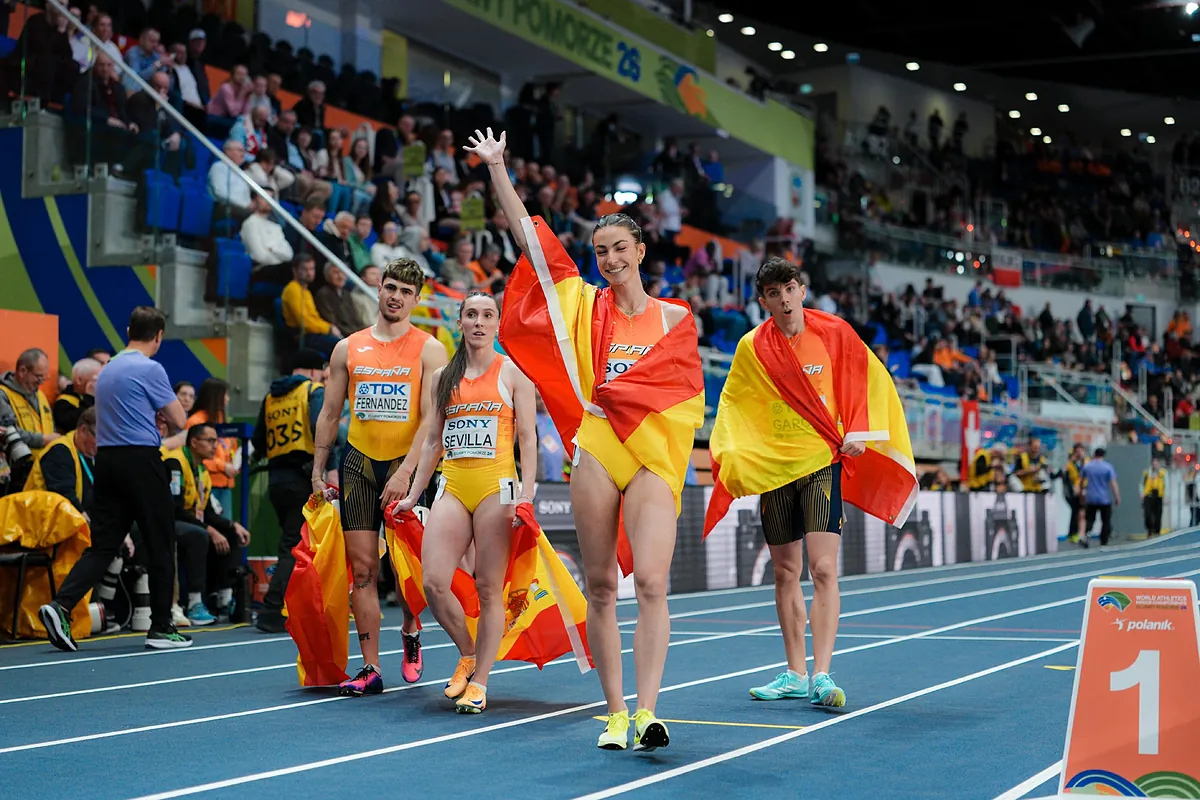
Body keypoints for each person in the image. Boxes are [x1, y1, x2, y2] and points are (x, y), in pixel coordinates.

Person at [468, 128, 704, 750]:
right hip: (598, 450)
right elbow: (528, 238)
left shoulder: (675, 318)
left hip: (651, 456)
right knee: (601, 586)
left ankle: (651, 710)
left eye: (620, 247)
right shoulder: (582, 306)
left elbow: (686, 397)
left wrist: (636, 407)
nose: (611, 258)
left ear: (641, 248)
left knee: (651, 582)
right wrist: (498, 169)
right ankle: (618, 711)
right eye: (601, 249)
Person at [703, 258, 916, 711]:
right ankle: (795, 673)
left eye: (789, 290)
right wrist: (736, 453)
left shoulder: (834, 334)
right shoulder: (751, 347)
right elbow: (737, 404)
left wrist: (857, 430)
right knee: (784, 571)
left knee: (822, 570)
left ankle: (822, 674)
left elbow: (865, 380)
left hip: (821, 462)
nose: (783, 300)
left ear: (802, 291)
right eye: (773, 294)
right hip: (775, 469)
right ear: (763, 302)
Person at [310, 258, 448, 696]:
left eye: (406, 292)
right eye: (390, 288)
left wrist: (408, 471)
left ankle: (410, 628)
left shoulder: (430, 348)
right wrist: (317, 469)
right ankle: (370, 667)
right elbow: (331, 412)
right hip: (358, 464)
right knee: (364, 569)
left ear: (416, 299)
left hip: (406, 467)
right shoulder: (347, 348)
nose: (396, 297)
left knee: (409, 570)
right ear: (378, 290)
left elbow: (432, 418)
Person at [396, 293, 538, 714]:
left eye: (487, 315)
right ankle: (469, 652)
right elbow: (433, 442)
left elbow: (528, 440)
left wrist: (527, 495)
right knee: (435, 581)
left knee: (489, 589)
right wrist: (411, 495)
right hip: (454, 485)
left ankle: (481, 682)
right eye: (471, 315)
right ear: (460, 322)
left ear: (497, 323)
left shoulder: (513, 373)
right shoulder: (443, 377)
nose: (479, 322)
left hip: (498, 489)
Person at [39, 306, 191, 651]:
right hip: (140, 460)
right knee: (161, 543)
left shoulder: (106, 371)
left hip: (107, 461)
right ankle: (162, 626)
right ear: (159, 336)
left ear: (127, 331)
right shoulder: (150, 368)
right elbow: (179, 419)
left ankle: (61, 605)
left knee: (103, 545)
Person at [251, 349, 327, 633]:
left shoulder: (271, 397)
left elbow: (259, 439)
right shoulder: (312, 391)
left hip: (275, 478)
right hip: (303, 475)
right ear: (310, 371)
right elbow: (323, 431)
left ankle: (296, 606)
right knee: (294, 547)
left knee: (296, 544)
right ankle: (272, 610)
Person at [163, 422, 252, 624]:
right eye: (210, 441)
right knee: (199, 535)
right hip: (167, 522)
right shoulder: (175, 463)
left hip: (190, 521)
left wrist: (232, 525)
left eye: (216, 441)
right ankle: (195, 604)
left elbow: (208, 512)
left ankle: (225, 599)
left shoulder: (202, 471)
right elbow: (174, 509)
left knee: (232, 534)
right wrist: (210, 530)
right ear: (194, 442)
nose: (215, 446)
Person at [0, 347, 60, 492]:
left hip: (42, 468)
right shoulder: (3, 395)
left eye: (44, 377)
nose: (41, 382)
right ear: (22, 371)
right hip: (17, 471)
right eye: (38, 377)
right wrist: (43, 440)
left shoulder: (40, 395)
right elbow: (9, 431)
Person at [26, 406, 98, 516]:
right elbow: (65, 498)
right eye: (100, 437)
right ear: (83, 430)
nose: (104, 443)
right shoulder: (59, 452)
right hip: (40, 524)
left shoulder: (90, 453)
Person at [1080, 447, 1120, 547]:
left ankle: (1087, 535)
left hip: (1091, 497)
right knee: (1105, 520)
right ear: (1104, 455)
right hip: (1104, 498)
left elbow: (1081, 481)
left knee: (1090, 519)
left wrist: (1081, 493)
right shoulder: (1107, 467)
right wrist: (1117, 496)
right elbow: (1113, 483)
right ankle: (1104, 541)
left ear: (1094, 454)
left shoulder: (1088, 466)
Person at [53, 357, 102, 434]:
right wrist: (89, 397)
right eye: (96, 380)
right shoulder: (63, 402)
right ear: (79, 380)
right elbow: (76, 423)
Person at [1141, 456, 1167, 538]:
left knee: (1158, 515)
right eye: (1153, 463)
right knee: (1148, 514)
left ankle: (1157, 531)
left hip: (1158, 496)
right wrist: (1142, 493)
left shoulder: (1163, 473)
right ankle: (1150, 530)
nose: (1155, 465)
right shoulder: (1147, 473)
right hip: (1148, 495)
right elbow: (1142, 483)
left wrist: (1166, 496)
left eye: (1156, 463)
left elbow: (1166, 484)